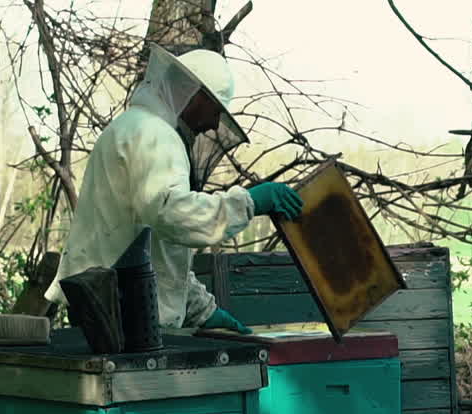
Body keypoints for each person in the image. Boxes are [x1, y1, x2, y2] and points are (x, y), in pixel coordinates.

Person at [43, 44, 302, 334]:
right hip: (120, 316)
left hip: (107, 305)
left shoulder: (133, 127)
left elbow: (156, 250)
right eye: (216, 109)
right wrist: (248, 203)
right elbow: (171, 215)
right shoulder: (156, 136)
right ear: (195, 94)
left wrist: (202, 310)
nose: (215, 124)